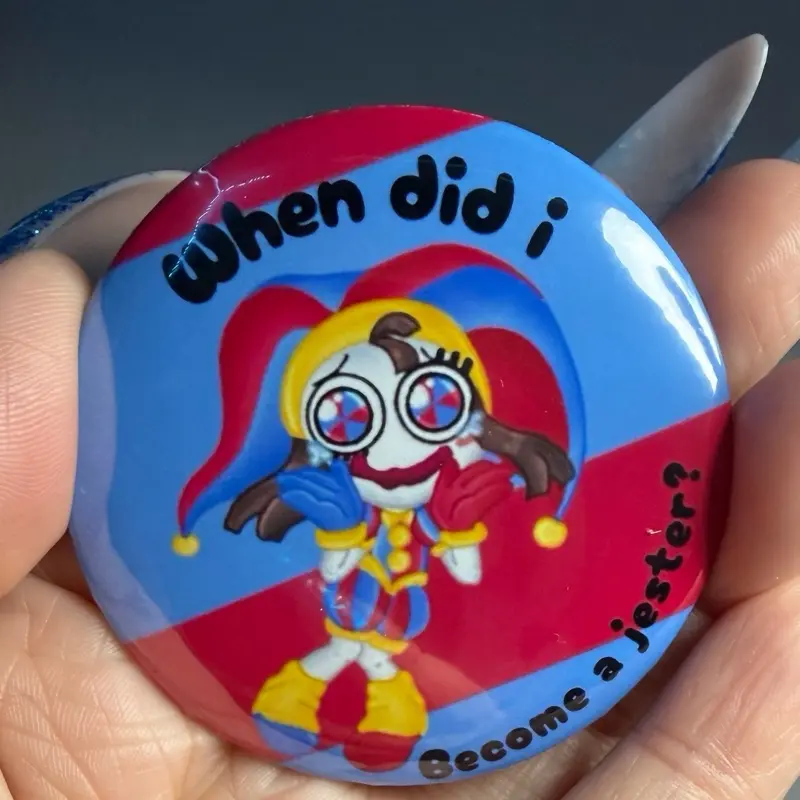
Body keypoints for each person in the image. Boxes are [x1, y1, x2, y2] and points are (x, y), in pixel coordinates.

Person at [0, 157, 798, 800]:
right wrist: (345, 530)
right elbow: (334, 563)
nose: (391, 436)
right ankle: (331, 704)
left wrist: (456, 527)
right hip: (330, 610)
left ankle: (368, 712)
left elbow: (465, 571)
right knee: (345, 660)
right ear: (309, 422)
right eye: (349, 414)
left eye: (432, 401)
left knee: (371, 665)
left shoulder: (449, 488)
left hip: (404, 611)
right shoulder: (329, 493)